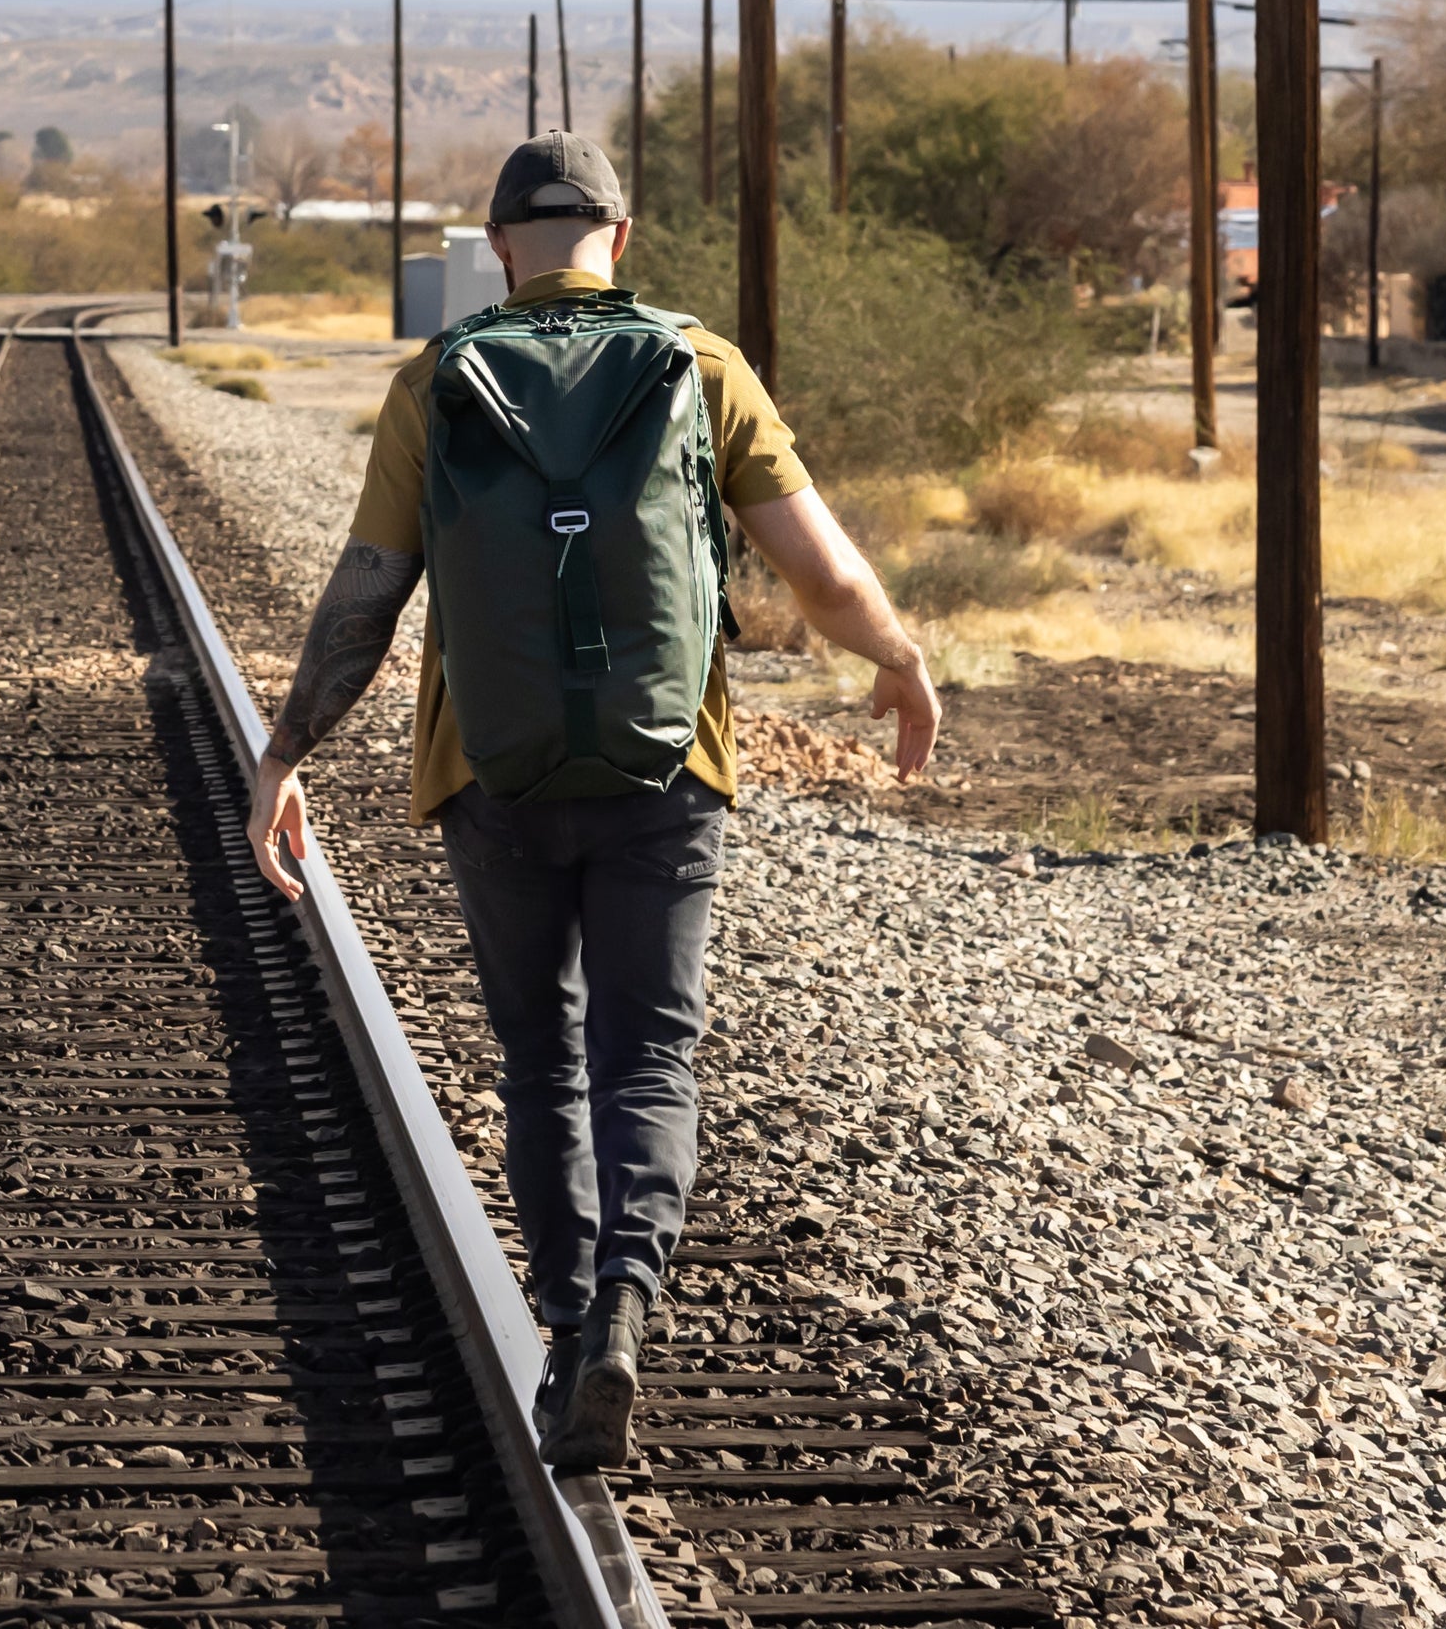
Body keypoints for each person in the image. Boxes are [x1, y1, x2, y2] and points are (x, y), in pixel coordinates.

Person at [241, 130, 939, 1471]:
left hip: (488, 775)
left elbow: (368, 597)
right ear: (619, 240)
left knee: (542, 1061)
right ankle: (626, 1297)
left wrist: (287, 751)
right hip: (666, 773)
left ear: (501, 249)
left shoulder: (439, 377)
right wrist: (899, 659)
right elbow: (825, 577)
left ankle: (567, 1328)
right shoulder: (699, 365)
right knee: (651, 1054)